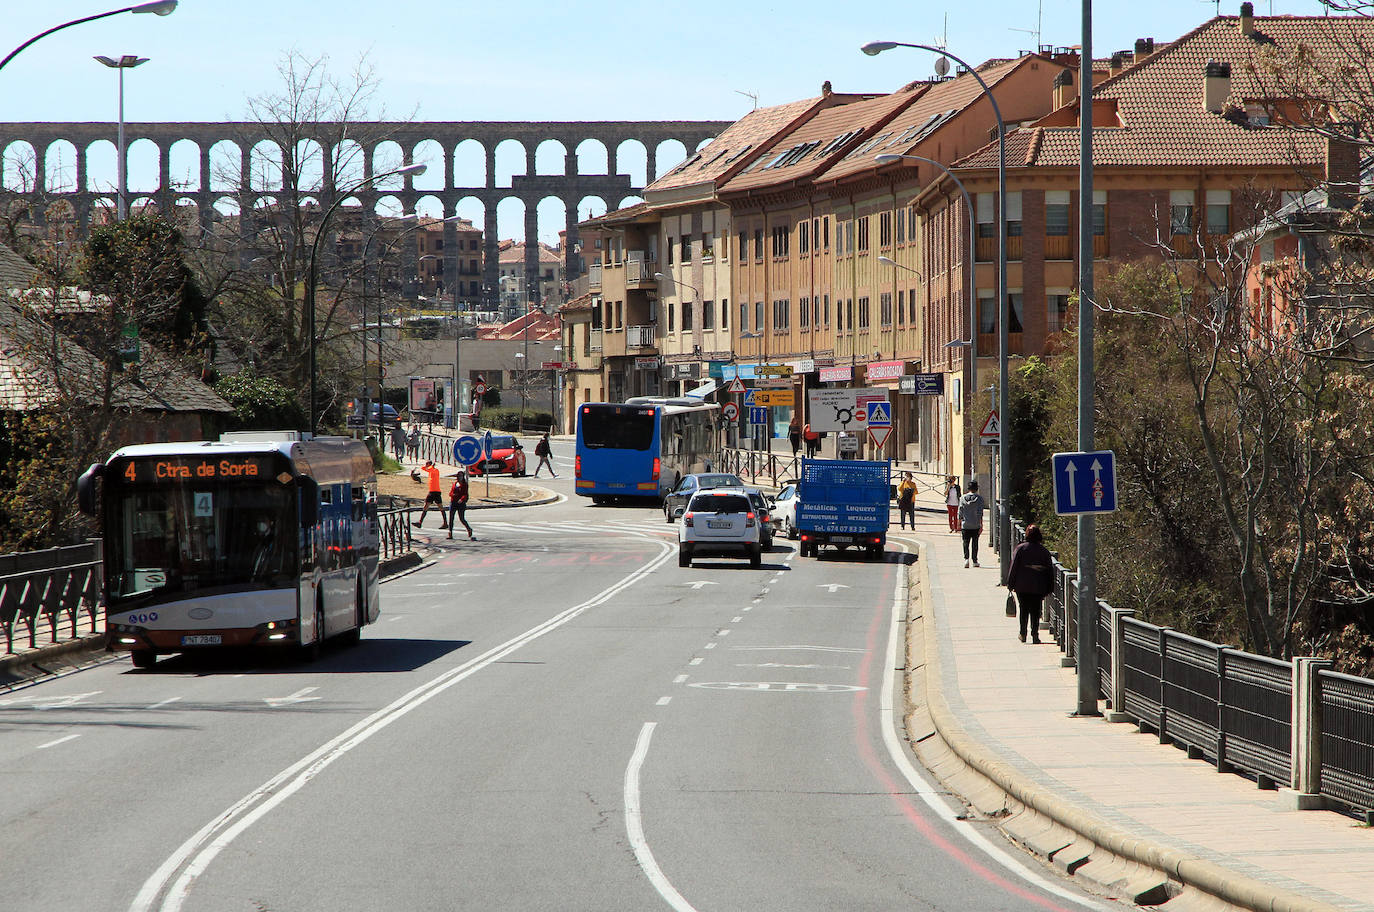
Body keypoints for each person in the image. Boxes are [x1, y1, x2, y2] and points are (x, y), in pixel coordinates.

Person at [1006, 524, 1054, 643]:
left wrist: (1010, 583)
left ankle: (1023, 633)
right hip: (1038, 586)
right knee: (1036, 611)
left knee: (1023, 609)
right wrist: (1049, 587)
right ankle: (1035, 635)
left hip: (1022, 586)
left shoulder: (1020, 548)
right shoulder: (1044, 551)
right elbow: (1049, 571)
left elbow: (1014, 567)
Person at [958, 479, 986, 568]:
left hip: (965, 524)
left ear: (968, 488)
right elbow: (980, 513)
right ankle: (975, 560)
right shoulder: (979, 499)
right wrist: (981, 525)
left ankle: (966, 559)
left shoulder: (962, 498)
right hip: (976, 524)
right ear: (976, 488)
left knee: (965, 542)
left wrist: (959, 523)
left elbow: (960, 512)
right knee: (975, 543)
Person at [413, 460, 445, 528]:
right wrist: (427, 466)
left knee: (440, 507)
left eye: (427, 464)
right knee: (426, 506)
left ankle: (445, 523)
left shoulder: (435, 470)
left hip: (436, 492)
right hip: (432, 491)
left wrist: (430, 466)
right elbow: (423, 468)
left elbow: (430, 469)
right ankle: (420, 522)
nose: (426, 466)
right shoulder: (430, 471)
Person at [446, 470, 475, 540]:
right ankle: (450, 533)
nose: (460, 477)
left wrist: (461, 499)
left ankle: (469, 529)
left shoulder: (465, 484)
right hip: (453, 502)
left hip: (461, 504)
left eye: (461, 476)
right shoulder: (455, 484)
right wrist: (452, 495)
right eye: (459, 476)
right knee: (451, 518)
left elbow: (465, 494)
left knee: (461, 518)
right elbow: (450, 492)